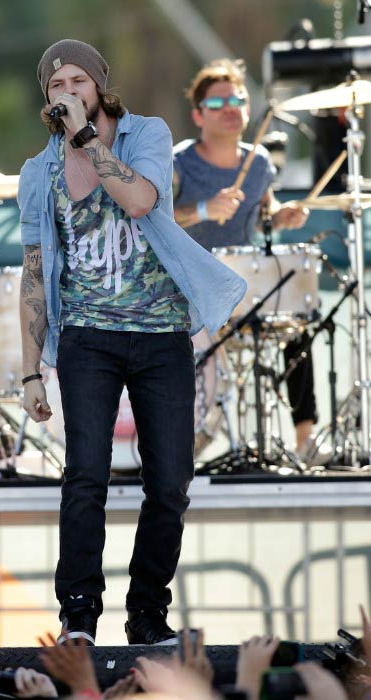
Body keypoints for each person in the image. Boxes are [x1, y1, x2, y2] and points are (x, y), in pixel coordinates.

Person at [17, 39, 246, 646]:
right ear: (47, 97)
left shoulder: (145, 133)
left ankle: (147, 614)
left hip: (161, 332)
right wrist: (30, 370)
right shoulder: (38, 172)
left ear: (98, 85)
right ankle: (79, 619)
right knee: (85, 476)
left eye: (78, 80)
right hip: (88, 336)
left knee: (169, 481)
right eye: (57, 84)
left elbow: (141, 199)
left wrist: (89, 141)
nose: (68, 91)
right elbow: (35, 273)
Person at [173, 58, 317, 454]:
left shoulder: (259, 164)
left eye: (238, 100)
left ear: (249, 109)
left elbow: (263, 211)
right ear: (198, 115)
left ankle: (305, 437)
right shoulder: (179, 162)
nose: (231, 108)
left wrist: (282, 217)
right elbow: (151, 216)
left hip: (242, 286)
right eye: (218, 104)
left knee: (297, 317)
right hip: (190, 289)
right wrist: (203, 210)